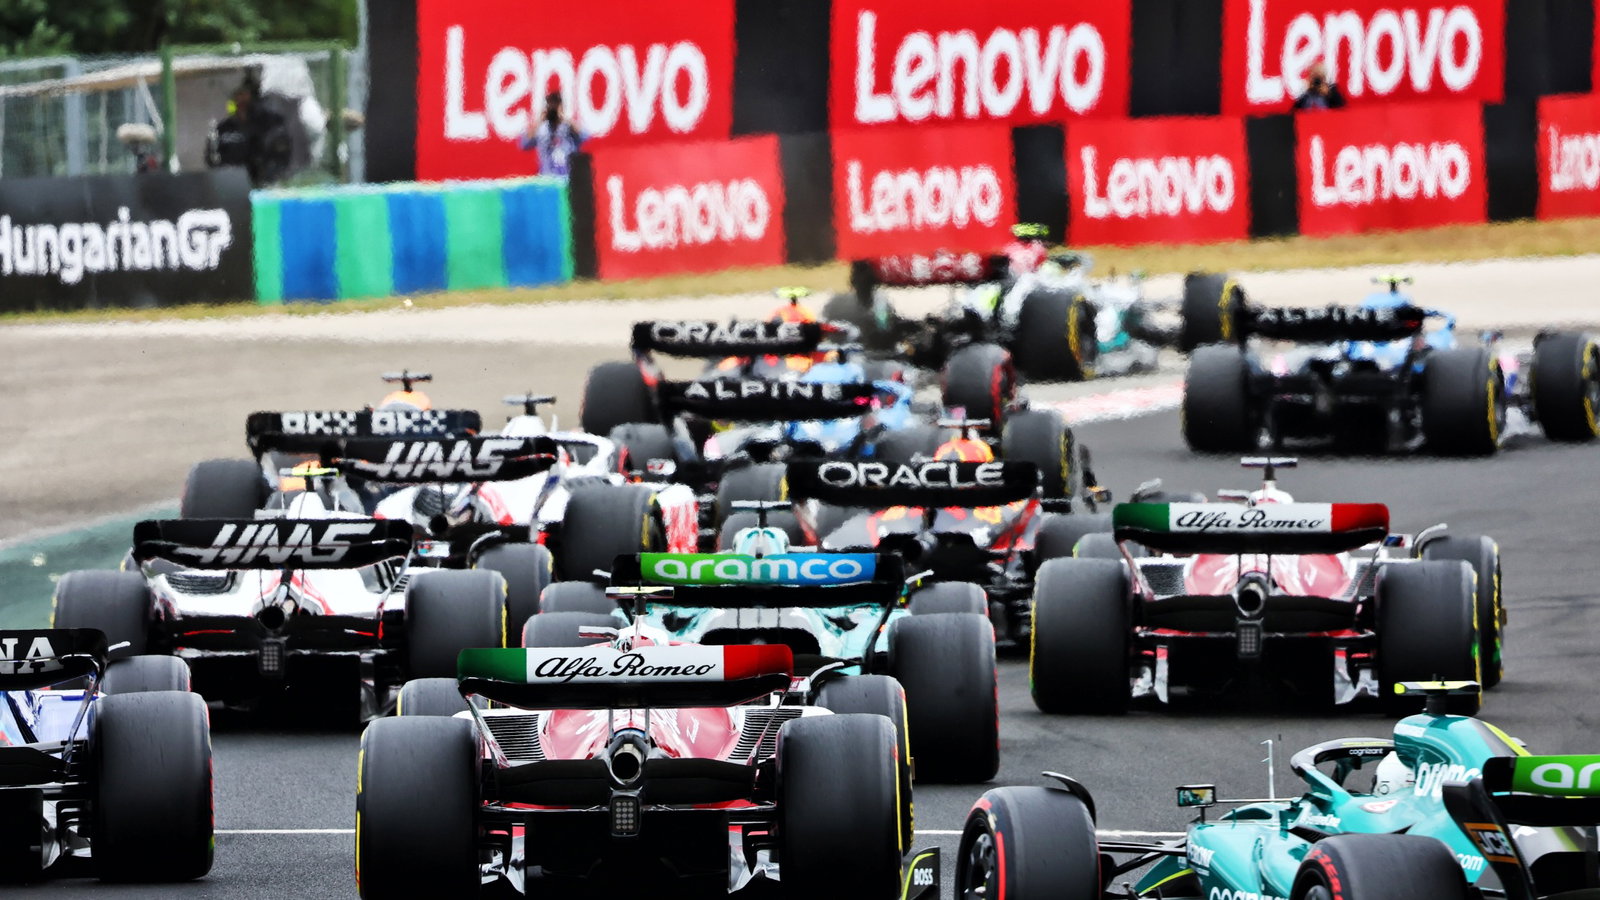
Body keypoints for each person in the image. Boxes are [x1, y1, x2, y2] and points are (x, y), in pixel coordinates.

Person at [207, 74, 291, 187]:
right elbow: (212, 158)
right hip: (232, 187)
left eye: (244, 94)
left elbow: (280, 159)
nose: (240, 100)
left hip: (265, 187)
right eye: (237, 95)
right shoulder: (223, 129)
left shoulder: (272, 124)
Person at [520, 92, 586, 177]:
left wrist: (565, 118)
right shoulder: (542, 129)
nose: (553, 111)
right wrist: (539, 121)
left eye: (556, 106)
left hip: (568, 178)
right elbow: (524, 144)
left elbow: (584, 136)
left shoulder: (569, 128)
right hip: (547, 180)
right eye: (551, 106)